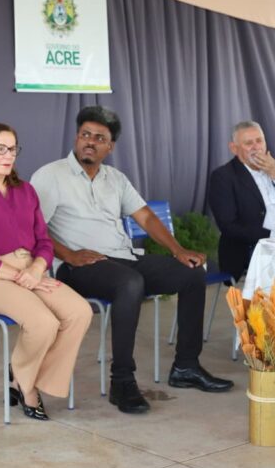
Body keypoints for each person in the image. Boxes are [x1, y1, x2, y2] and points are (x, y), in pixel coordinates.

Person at [31, 106, 234, 413]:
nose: (90, 141)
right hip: (76, 267)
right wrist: (69, 254)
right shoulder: (50, 175)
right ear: (76, 138)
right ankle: (122, 381)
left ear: (109, 147)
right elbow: (34, 229)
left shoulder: (116, 178)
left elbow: (146, 217)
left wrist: (177, 250)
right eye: (85, 134)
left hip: (123, 259)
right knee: (130, 283)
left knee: (191, 273)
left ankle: (186, 367)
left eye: (99, 138)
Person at [0, 123, 92, 421]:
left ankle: (27, 375)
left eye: (12, 149)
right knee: (43, 322)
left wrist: (37, 270)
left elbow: (43, 241)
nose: (8, 155)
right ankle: (28, 389)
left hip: (31, 271)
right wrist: (17, 276)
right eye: (0, 148)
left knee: (79, 311)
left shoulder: (25, 190)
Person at [208, 121, 275, 282]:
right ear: (234, 148)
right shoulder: (223, 177)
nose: (256, 147)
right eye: (248, 143)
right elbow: (229, 226)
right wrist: (274, 235)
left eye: (259, 141)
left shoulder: (274, 167)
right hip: (253, 249)